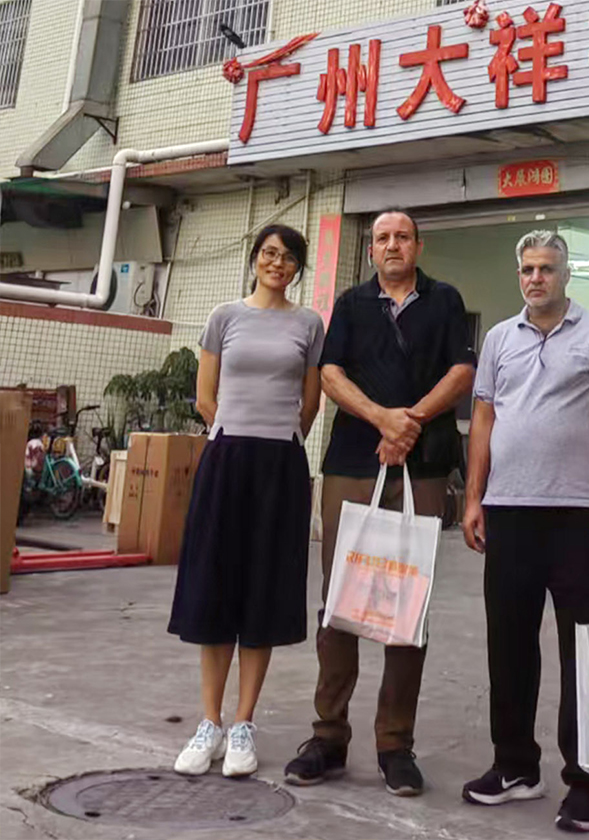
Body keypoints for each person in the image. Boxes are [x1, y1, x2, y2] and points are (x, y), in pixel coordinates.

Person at [284, 208, 476, 797]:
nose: (393, 245)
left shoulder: (445, 301)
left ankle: (396, 746)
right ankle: (328, 736)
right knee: (339, 599)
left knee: (406, 604)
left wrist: (408, 422)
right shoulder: (351, 303)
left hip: (422, 466)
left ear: (418, 246)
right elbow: (331, 373)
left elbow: (462, 371)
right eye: (383, 238)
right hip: (351, 462)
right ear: (371, 250)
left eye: (402, 237)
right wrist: (380, 419)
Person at [461, 231, 589, 832]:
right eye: (528, 269)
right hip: (508, 512)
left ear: (566, 275)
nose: (536, 278)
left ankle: (587, 782)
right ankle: (515, 767)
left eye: (547, 269)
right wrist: (474, 497)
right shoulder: (498, 340)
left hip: (578, 517)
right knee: (508, 645)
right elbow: (484, 419)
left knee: (584, 653)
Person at [168, 224, 324, 778]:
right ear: (255, 258)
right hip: (226, 461)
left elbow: (310, 402)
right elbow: (205, 396)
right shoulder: (224, 316)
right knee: (215, 585)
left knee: (264, 589)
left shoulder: (309, 324)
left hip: (280, 466)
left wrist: (281, 438)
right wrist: (234, 436)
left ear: (298, 268)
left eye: (288, 257)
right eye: (269, 253)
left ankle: (242, 724)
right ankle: (209, 722)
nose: (277, 264)